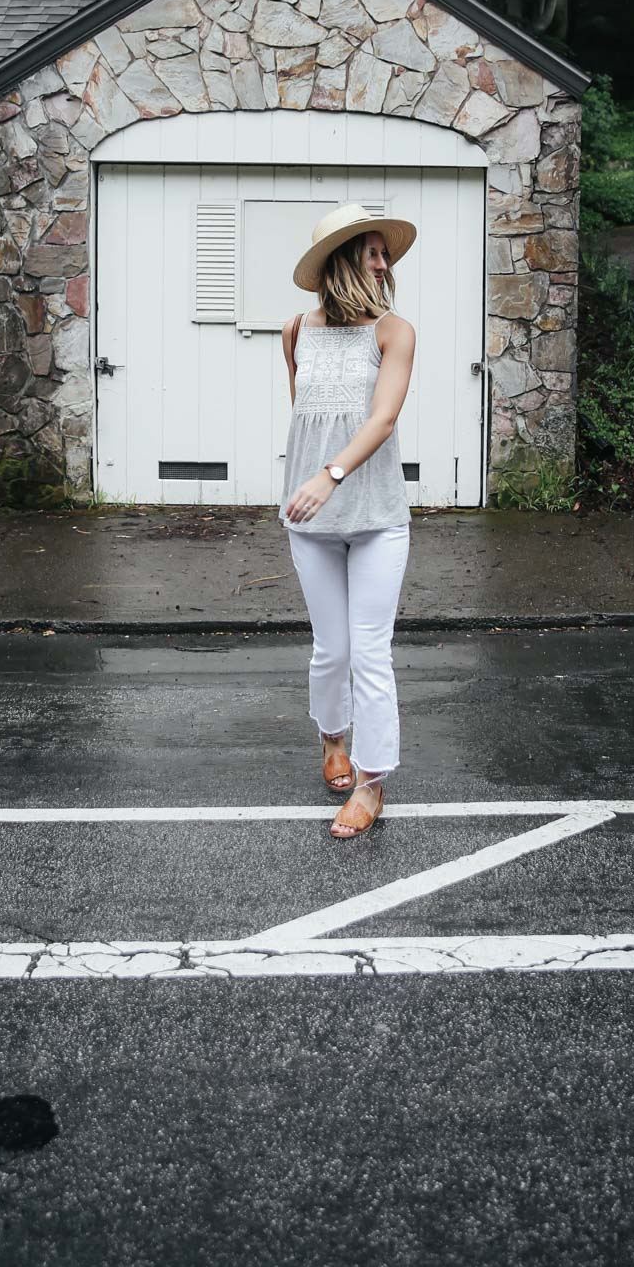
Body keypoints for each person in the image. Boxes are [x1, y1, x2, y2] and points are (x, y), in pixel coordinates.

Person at [280, 202, 417, 839]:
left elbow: (381, 420)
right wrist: (311, 480)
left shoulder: (394, 332)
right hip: (309, 519)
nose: (385, 263)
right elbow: (305, 417)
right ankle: (332, 739)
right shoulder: (296, 331)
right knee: (330, 649)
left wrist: (329, 476)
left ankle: (371, 782)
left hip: (377, 515)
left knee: (370, 652)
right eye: (374, 251)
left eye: (385, 252)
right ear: (343, 260)